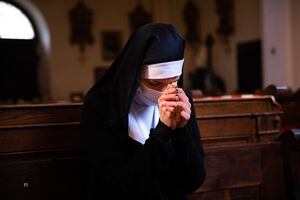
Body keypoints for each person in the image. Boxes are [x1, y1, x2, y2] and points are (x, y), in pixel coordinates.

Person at [81, 23, 205, 200]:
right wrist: (163, 132)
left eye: (173, 82)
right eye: (154, 84)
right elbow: (116, 186)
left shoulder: (181, 99)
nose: (164, 93)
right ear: (134, 74)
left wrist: (182, 131)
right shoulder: (100, 105)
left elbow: (193, 181)